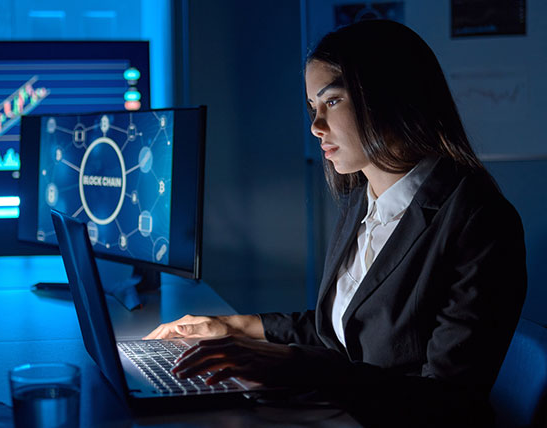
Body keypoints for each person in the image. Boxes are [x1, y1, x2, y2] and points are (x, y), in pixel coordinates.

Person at [144, 20, 526, 427]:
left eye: (332, 102)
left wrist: (298, 364)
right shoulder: (360, 201)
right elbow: (342, 328)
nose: (315, 126)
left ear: (390, 95)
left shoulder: (479, 220)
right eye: (312, 107)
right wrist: (232, 325)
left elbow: (449, 401)